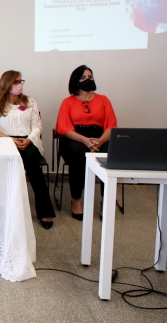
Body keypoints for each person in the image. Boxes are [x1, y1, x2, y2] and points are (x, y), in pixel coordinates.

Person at [0, 71, 56, 229]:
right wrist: (8, 139)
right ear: (6, 84)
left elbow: (37, 127)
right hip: (6, 141)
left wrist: (28, 140)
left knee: (32, 164)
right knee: (9, 162)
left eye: (20, 81)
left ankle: (45, 211)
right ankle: (1, 208)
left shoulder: (30, 102)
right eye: (15, 82)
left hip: (28, 141)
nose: (19, 84)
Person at [56, 65, 117, 220]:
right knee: (78, 154)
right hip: (75, 138)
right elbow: (63, 128)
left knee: (108, 154)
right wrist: (84, 140)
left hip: (100, 138)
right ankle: (76, 199)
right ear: (76, 82)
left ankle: (106, 200)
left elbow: (111, 127)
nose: (88, 80)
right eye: (83, 78)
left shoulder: (104, 100)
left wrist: (99, 141)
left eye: (90, 77)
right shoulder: (67, 102)